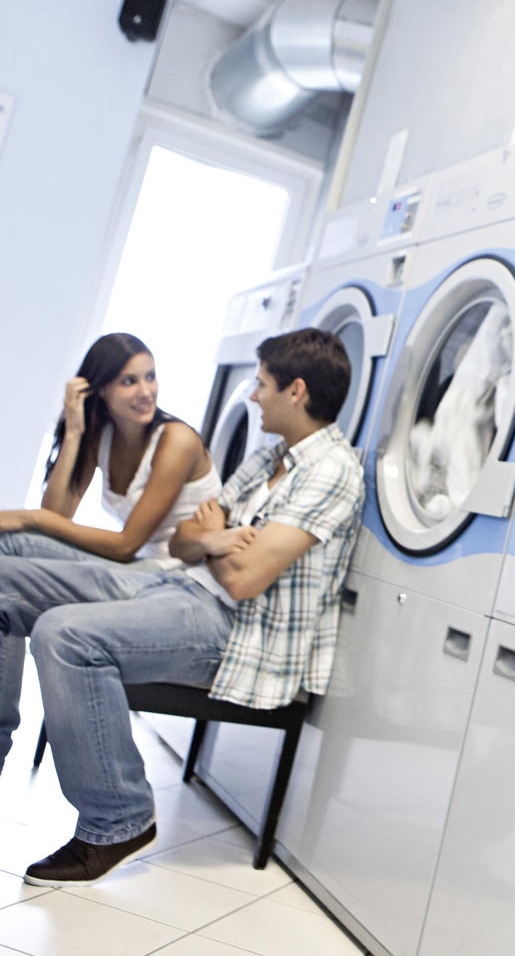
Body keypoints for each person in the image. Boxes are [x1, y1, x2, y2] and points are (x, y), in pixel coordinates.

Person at [0, 327, 365, 888]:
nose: (251, 396)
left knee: (64, 635)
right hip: (180, 589)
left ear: (295, 391)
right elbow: (183, 542)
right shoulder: (272, 458)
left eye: (261, 385)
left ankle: (117, 819)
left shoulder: (332, 472)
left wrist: (217, 539)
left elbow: (243, 581)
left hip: (238, 634)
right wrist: (216, 539)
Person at [0, 332, 219, 563]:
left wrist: (28, 518)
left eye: (150, 377)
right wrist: (74, 433)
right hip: (138, 565)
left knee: (16, 543)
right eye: (129, 381)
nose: (146, 392)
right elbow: (55, 516)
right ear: (101, 388)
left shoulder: (177, 440)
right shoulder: (103, 435)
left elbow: (125, 546)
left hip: (174, 574)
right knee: (17, 543)